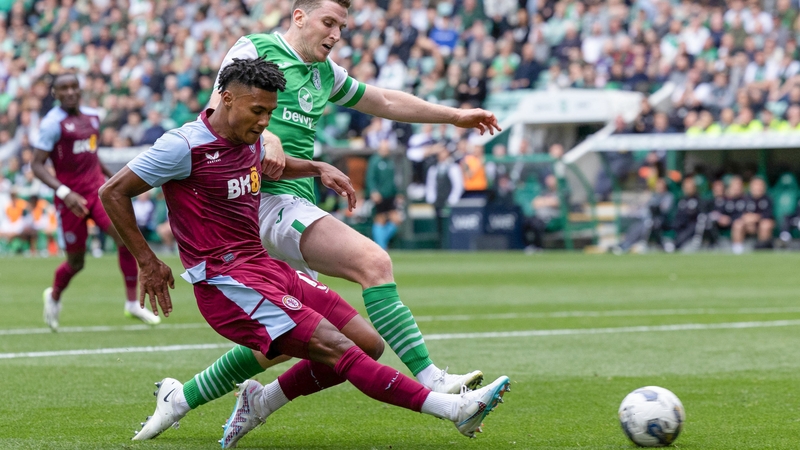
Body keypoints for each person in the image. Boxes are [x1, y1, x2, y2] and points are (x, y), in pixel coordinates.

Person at [134, 0, 501, 439]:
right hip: (263, 200)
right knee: (373, 263)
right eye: (328, 22)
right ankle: (433, 382)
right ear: (299, 16)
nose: (336, 34)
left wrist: (455, 115)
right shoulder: (254, 47)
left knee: (290, 342)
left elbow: (383, 99)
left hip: (290, 204)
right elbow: (221, 105)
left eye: (342, 27)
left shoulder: (326, 75)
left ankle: (203, 397)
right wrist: (267, 135)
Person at [30, 73, 160, 330]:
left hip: (96, 192)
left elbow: (92, 155)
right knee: (77, 262)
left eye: (73, 87)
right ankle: (54, 295)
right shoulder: (52, 124)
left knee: (124, 239)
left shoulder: (92, 117)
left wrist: (117, 179)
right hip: (71, 200)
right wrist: (65, 193)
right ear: (55, 94)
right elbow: (36, 165)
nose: (69, 92)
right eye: (63, 88)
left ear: (80, 90)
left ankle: (132, 303)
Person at [365, 138, 402, 250]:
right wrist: (373, 191)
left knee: (396, 220)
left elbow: (394, 180)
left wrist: (398, 193)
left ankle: (381, 244)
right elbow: (370, 178)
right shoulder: (375, 161)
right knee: (380, 219)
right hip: (379, 196)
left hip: (390, 196)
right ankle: (381, 246)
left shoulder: (391, 161)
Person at [731, 177, 774, 253]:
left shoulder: (768, 199)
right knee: (738, 224)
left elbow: (768, 215)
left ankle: (762, 248)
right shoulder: (745, 199)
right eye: (756, 185)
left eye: (760, 185)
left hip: (761, 224)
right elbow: (740, 214)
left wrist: (755, 218)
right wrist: (749, 220)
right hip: (748, 225)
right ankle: (737, 250)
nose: (758, 188)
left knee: (765, 224)